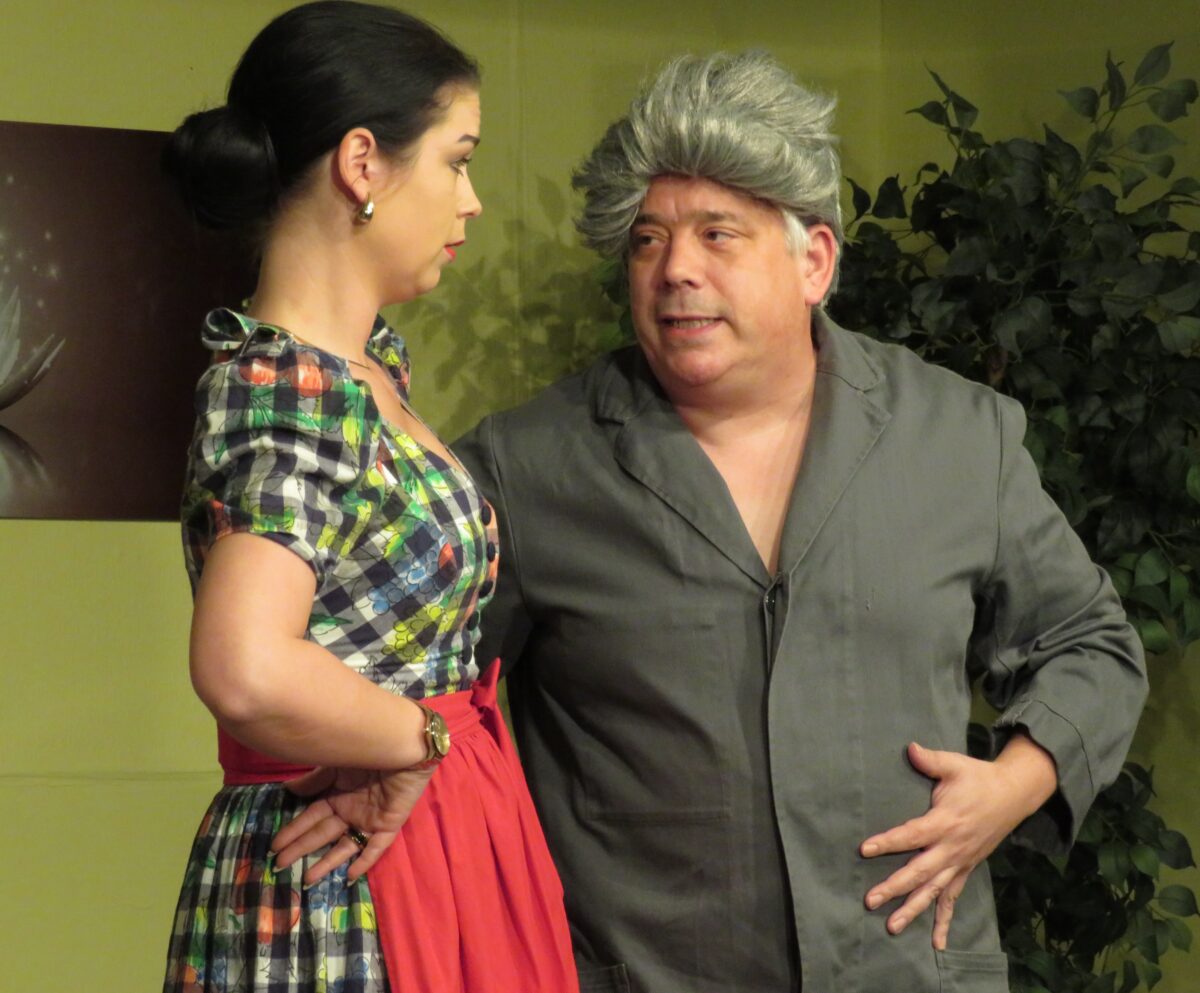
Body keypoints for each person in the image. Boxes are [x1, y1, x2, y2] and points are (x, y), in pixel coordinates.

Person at [450, 53, 1148, 992]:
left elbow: (1092, 644)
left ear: (814, 260)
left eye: (717, 234)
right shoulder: (527, 466)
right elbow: (414, 691)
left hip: (910, 972)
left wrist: (1010, 788)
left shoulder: (956, 435)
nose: (675, 270)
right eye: (648, 240)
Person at [159, 4, 578, 992]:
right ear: (362, 165)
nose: (471, 200)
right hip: (340, 879)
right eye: (456, 160)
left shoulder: (362, 374)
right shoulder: (288, 388)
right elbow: (246, 666)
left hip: (426, 839)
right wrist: (416, 738)